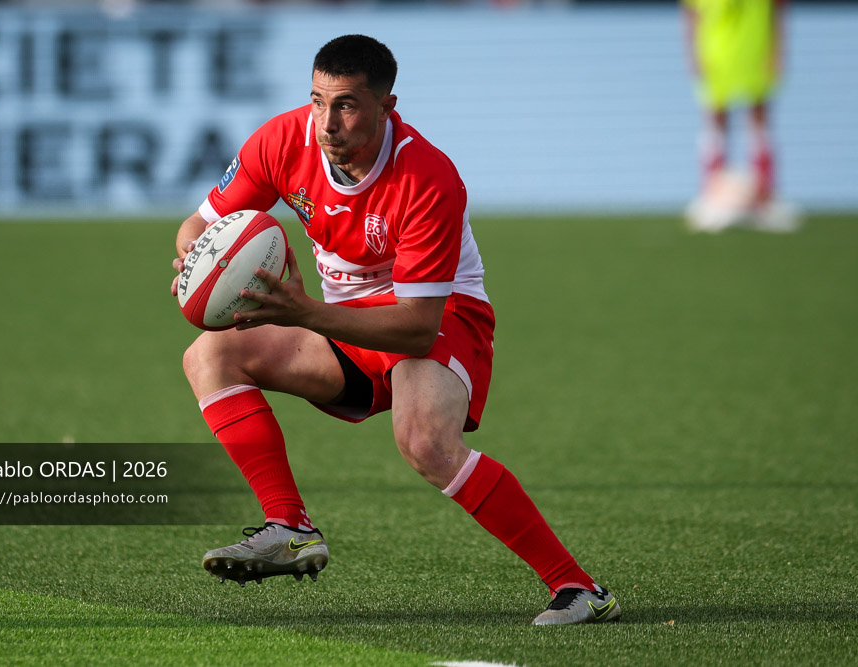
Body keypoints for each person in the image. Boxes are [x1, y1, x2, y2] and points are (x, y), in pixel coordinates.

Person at [170, 34, 620, 626]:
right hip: (341, 319)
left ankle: (580, 590)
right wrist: (202, 267)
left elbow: (414, 328)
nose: (328, 122)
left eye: (348, 104)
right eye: (318, 100)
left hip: (440, 316)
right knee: (209, 357)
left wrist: (303, 312)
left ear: (387, 105)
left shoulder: (428, 178)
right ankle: (290, 528)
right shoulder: (282, 140)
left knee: (425, 442)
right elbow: (196, 228)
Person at [683, 0, 799, 232]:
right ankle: (712, 196)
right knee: (715, 118)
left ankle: (765, 198)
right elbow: (692, 13)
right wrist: (694, 52)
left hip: (756, 51)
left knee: (759, 119)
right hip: (716, 52)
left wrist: (778, 49)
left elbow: (778, 9)